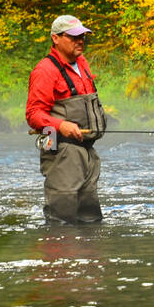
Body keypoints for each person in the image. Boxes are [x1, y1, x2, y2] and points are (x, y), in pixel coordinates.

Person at [26, 15, 107, 223]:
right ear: (56, 38)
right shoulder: (45, 70)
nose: (80, 41)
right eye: (73, 36)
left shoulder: (82, 62)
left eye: (82, 36)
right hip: (62, 153)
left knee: (90, 218)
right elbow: (33, 114)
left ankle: (90, 255)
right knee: (62, 219)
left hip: (87, 151)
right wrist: (60, 125)